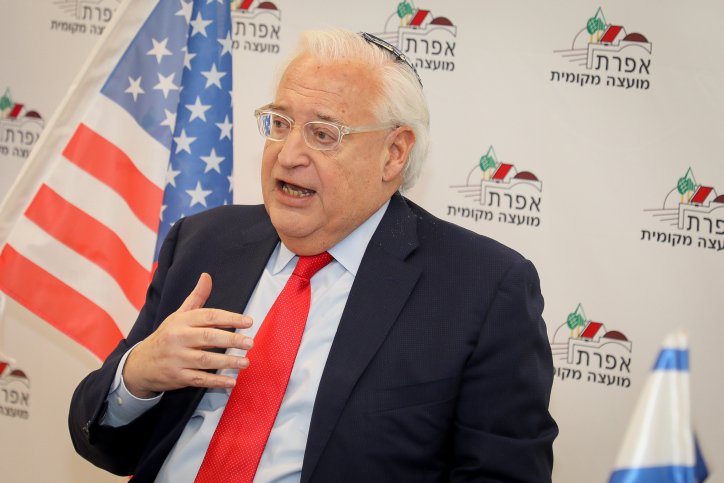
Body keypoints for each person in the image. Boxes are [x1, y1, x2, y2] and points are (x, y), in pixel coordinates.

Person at [69, 29, 558, 482]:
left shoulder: (483, 289)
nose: (287, 156)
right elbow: (104, 444)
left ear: (394, 153)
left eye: (324, 134)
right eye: (280, 124)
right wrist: (139, 375)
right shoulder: (203, 241)